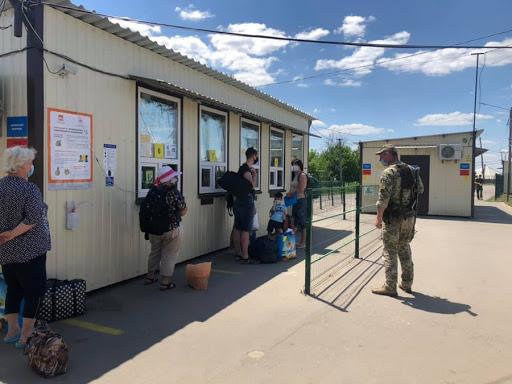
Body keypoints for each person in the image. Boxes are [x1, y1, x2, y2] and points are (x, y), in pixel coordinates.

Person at [0, 147, 51, 349]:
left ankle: (12, 331)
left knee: (14, 289)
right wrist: (12, 233)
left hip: (5, 252)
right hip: (30, 251)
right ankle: (26, 335)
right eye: (29, 162)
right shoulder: (29, 189)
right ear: (21, 165)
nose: (31, 166)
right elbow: (33, 219)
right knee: (34, 292)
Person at [372, 144, 424, 297]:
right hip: (409, 217)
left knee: (389, 251)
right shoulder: (411, 170)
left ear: (389, 154)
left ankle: (390, 287)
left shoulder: (388, 173)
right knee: (404, 248)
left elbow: (383, 200)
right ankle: (407, 284)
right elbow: (420, 189)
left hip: (393, 219)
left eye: (382, 155)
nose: (380, 159)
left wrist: (378, 219)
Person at [144, 166, 187, 290]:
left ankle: (150, 277)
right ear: (169, 180)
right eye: (174, 177)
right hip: (171, 229)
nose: (175, 179)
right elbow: (183, 211)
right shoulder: (173, 193)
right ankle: (165, 282)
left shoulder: (152, 191)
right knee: (169, 254)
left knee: (155, 252)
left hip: (153, 230)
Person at [233, 147, 258, 263]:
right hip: (245, 201)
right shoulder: (246, 169)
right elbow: (252, 185)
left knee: (237, 228)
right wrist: (254, 174)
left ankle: (238, 253)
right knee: (245, 229)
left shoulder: (241, 168)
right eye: (256, 156)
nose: (257, 158)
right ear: (253, 156)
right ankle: (245, 256)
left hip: (238, 201)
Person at [289, 159, 308, 248]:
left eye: (294, 165)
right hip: (294, 200)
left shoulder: (302, 175)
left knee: (302, 222)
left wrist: (291, 193)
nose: (293, 167)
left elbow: (301, 189)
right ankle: (292, 243)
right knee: (294, 221)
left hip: (301, 200)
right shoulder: (295, 175)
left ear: (299, 165)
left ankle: (303, 242)